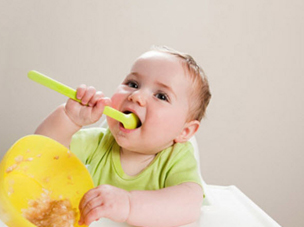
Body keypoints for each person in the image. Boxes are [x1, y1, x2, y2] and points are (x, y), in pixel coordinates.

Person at [35, 46, 211, 227]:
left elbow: (189, 205)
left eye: (161, 96)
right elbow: (41, 155)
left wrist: (128, 204)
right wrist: (69, 118)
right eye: (133, 84)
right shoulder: (100, 142)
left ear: (185, 132)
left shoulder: (176, 157)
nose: (137, 96)